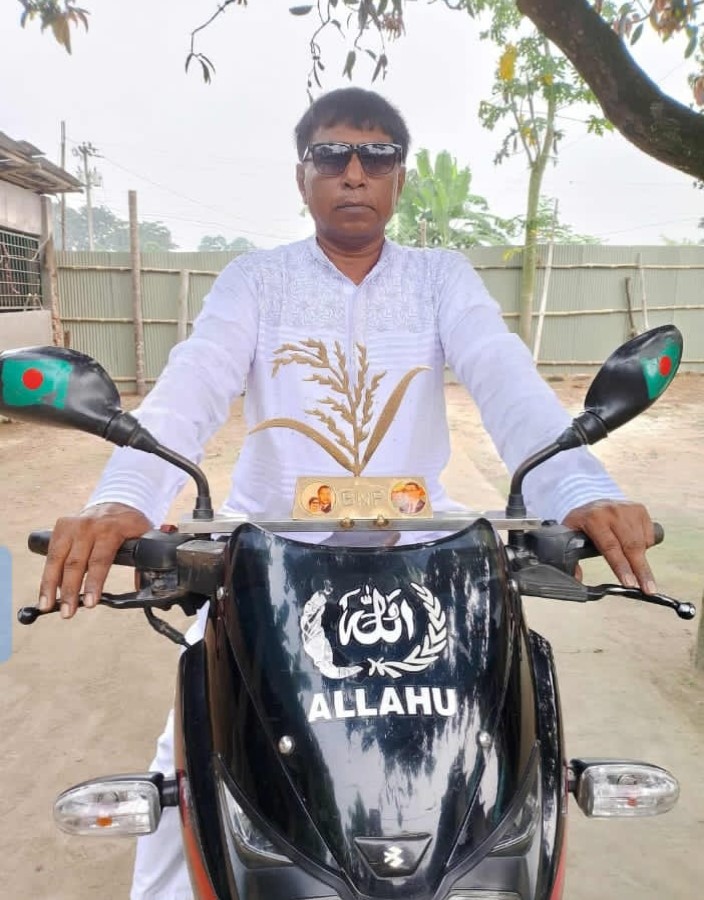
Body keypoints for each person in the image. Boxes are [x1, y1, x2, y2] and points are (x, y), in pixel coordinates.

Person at [36, 87, 658, 898]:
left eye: (377, 155)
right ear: (302, 176)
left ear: (400, 176)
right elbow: (191, 386)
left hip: (426, 573)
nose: (354, 171)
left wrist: (579, 487)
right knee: (190, 774)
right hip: (269, 575)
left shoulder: (439, 278)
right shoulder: (256, 282)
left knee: (503, 767)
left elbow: (507, 379)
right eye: (331, 154)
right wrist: (123, 501)